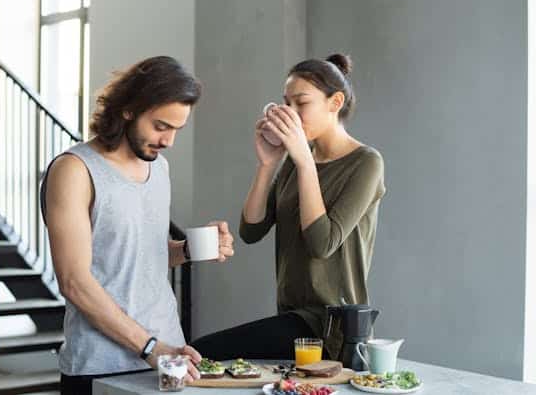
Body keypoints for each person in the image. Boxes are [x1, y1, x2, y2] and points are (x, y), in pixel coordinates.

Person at [40, 56, 235, 395]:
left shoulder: (159, 169)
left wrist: (189, 250)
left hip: (170, 358)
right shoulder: (74, 170)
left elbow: (141, 256)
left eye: (176, 129)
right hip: (100, 364)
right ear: (129, 109)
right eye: (161, 126)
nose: (169, 141)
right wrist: (149, 348)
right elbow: (74, 281)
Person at [192, 54, 385, 362]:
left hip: (331, 326)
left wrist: (304, 161)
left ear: (335, 102)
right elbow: (251, 230)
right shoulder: (297, 160)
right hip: (292, 317)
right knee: (205, 359)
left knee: (201, 353)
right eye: (287, 103)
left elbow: (322, 242)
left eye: (301, 103)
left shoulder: (365, 163)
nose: (291, 113)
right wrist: (268, 164)